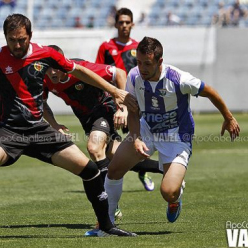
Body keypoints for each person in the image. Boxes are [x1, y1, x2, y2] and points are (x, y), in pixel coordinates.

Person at [0, 14, 138, 239]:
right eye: (12, 40)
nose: (17, 45)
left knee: (89, 170)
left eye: (22, 40)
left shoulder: (46, 54)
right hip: (5, 132)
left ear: (30, 36)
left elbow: (79, 71)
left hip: (39, 132)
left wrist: (115, 91)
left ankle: (107, 226)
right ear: (5, 37)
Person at [104, 37, 240, 224]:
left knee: (168, 192)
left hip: (177, 135)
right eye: (139, 62)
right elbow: (133, 111)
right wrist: (135, 138)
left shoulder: (179, 79)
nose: (142, 68)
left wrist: (228, 117)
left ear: (160, 61)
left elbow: (209, 91)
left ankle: (175, 198)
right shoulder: (134, 76)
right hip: (147, 129)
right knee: (114, 170)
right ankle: (107, 220)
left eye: (147, 63)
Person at [42, 45, 163, 236]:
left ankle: (108, 209)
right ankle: (165, 167)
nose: (53, 72)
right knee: (117, 157)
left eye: (56, 66)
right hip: (87, 120)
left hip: (104, 109)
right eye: (49, 67)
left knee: (94, 147)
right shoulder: (45, 78)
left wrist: (122, 107)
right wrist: (55, 124)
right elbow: (41, 102)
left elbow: (119, 73)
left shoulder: (79, 68)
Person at [96, 7, 158, 191]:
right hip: (112, 101)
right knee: (111, 146)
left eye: (127, 22)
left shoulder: (139, 48)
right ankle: (112, 180)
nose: (124, 25)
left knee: (136, 139)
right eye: (120, 22)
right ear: (115, 24)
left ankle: (142, 169)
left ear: (132, 24)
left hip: (136, 103)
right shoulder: (106, 47)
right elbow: (98, 73)